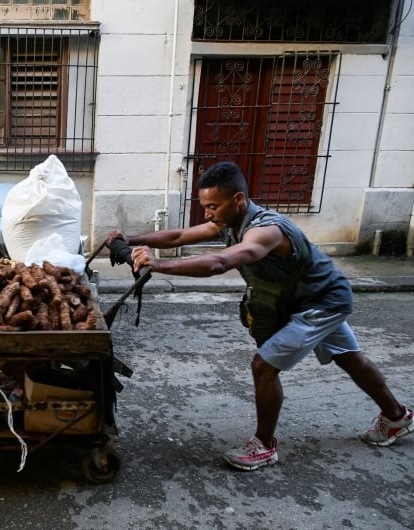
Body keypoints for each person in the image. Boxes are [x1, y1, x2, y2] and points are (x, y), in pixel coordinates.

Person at [106, 161, 412, 471]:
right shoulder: (227, 222)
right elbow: (178, 237)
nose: (208, 214)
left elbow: (220, 263)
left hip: (321, 304)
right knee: (349, 358)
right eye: (204, 206)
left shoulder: (267, 231)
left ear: (238, 200)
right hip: (310, 299)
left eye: (213, 206)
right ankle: (396, 417)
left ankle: (264, 446)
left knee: (263, 366)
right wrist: (129, 240)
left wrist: (160, 266)